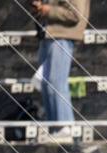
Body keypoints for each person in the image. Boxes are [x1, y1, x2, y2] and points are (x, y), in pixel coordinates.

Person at [30, 0, 89, 145]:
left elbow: (75, 14)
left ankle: (65, 126)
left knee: (56, 81)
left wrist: (48, 10)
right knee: (47, 84)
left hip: (61, 35)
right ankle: (54, 127)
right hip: (48, 34)